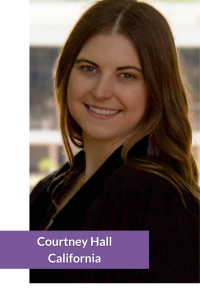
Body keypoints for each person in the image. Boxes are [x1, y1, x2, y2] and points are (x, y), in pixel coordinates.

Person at [30, 0, 199, 283]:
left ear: (157, 89)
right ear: (66, 72)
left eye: (127, 75)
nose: (101, 91)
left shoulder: (153, 195)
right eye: (89, 68)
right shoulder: (53, 186)